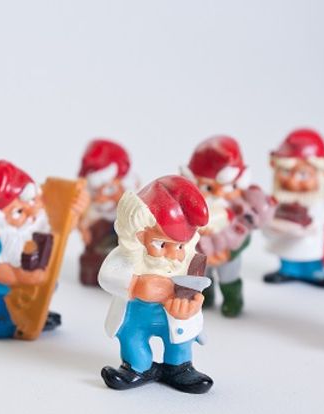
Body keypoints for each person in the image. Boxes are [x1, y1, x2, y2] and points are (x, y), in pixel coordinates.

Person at [98, 175, 213, 393]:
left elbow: (197, 287)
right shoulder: (127, 257)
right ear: (140, 236)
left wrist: (193, 305)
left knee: (179, 342)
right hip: (134, 314)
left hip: (174, 316)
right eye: (160, 244)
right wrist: (135, 285)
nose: (172, 255)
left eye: (180, 246)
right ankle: (137, 367)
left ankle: (179, 367)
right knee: (132, 338)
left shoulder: (189, 261)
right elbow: (107, 276)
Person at [0, 160, 88, 338]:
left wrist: (76, 210)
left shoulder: (37, 219)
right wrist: (21, 277)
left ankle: (28, 314)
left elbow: (61, 229)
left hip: (26, 283)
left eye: (32, 200)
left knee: (47, 287)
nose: (31, 212)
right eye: (18, 212)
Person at [182, 135, 275, 316]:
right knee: (202, 278)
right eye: (208, 188)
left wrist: (230, 253)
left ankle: (232, 300)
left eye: (227, 187)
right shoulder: (193, 207)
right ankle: (205, 298)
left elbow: (245, 236)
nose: (217, 194)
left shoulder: (242, 210)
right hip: (200, 254)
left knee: (229, 278)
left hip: (228, 255)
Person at [263, 128, 324, 288]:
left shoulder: (320, 202)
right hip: (285, 242)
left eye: (303, 175)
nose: (292, 182)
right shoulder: (277, 200)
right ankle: (286, 270)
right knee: (287, 256)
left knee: (312, 259)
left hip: (312, 245)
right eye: (286, 172)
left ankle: (314, 273)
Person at [76, 139, 136, 285]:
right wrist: (83, 227)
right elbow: (81, 223)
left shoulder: (132, 212)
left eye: (109, 190)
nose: (101, 198)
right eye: (95, 192)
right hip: (98, 248)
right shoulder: (93, 214)